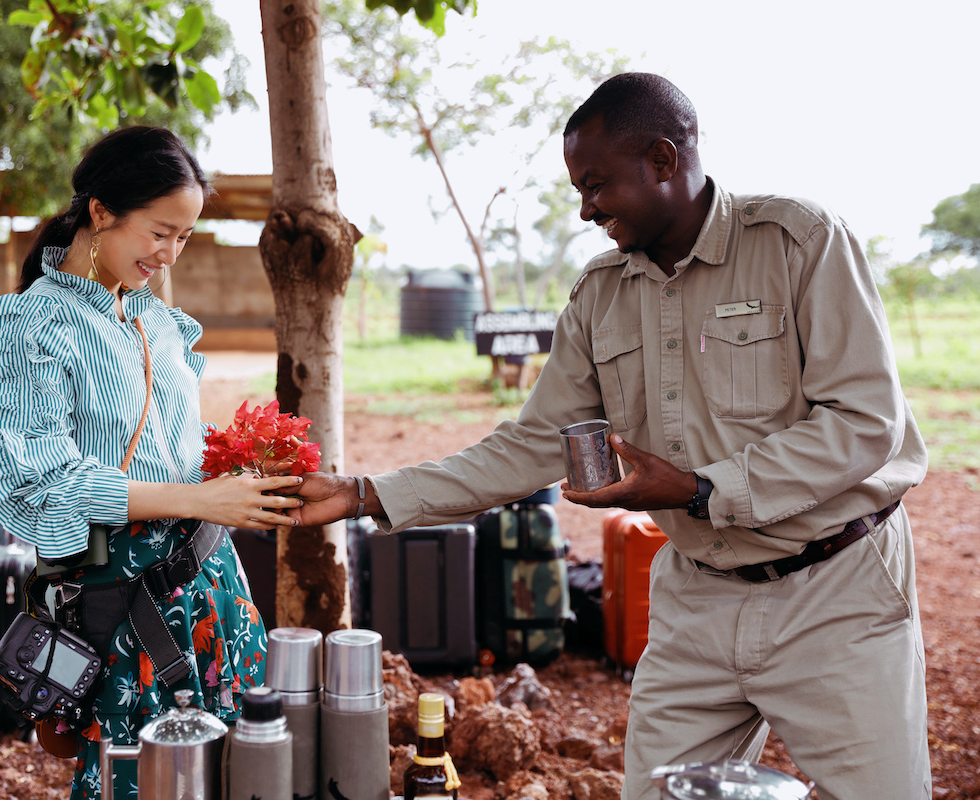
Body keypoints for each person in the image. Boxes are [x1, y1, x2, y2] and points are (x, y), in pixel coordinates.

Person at [292, 73, 930, 800]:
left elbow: (865, 422)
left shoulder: (798, 241)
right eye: (578, 190)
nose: (587, 208)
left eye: (596, 185)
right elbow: (532, 444)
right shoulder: (600, 293)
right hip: (698, 596)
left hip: (835, 590)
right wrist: (365, 493)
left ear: (662, 160)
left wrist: (698, 488)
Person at [0, 126, 304, 800]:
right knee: (144, 774)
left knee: (241, 767)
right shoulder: (34, 324)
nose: (170, 254)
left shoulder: (154, 320)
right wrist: (199, 502)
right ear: (100, 211)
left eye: (184, 237)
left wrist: (240, 461)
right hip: (127, 599)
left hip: (212, 581)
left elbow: (170, 444)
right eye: (160, 231)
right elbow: (45, 481)